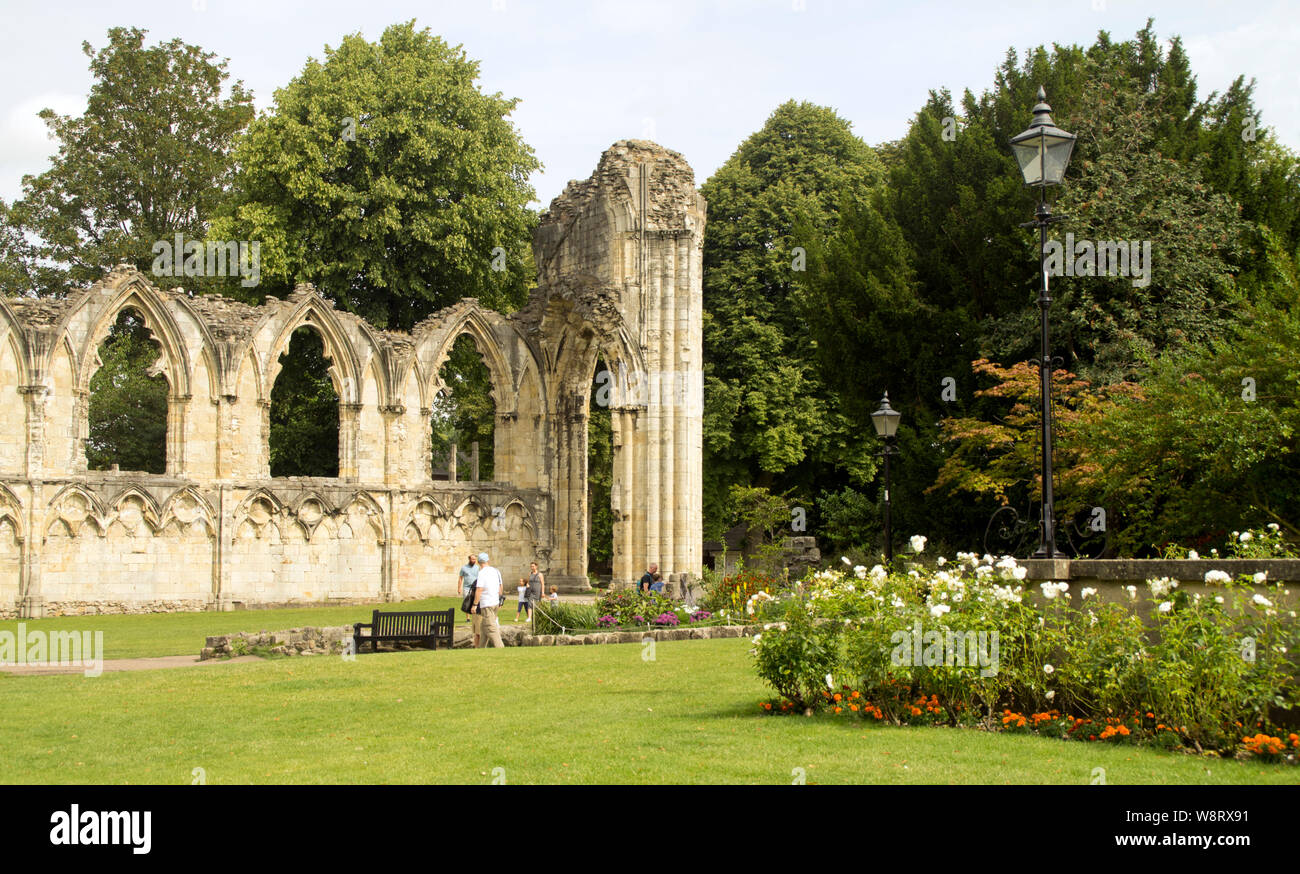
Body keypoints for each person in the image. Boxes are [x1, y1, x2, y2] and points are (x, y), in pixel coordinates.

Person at [472, 552, 504, 648]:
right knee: (484, 627)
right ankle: (481, 648)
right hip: (495, 602)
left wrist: (474, 604)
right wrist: (499, 599)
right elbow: (500, 586)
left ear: (478, 563)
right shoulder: (495, 571)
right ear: (488, 561)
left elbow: (479, 589)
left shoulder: (482, 573)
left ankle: (500, 647)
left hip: (487, 603)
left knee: (491, 628)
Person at [458, 553, 481, 647]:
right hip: (467, 587)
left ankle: (473, 616)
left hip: (475, 587)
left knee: (475, 602)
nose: (473, 561)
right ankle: (468, 617)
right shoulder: (464, 568)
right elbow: (460, 578)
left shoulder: (477, 568)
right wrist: (459, 588)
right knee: (467, 602)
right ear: (469, 559)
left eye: (475, 559)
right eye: (472, 559)